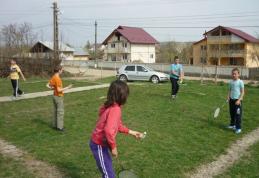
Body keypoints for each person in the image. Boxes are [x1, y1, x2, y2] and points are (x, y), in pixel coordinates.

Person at [89, 80, 144, 178]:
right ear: (122, 96)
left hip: (102, 143)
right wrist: (113, 147)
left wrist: (132, 132)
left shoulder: (111, 105)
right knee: (109, 175)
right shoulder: (115, 109)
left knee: (108, 172)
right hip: (99, 145)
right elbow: (109, 130)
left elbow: (117, 125)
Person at [46, 65, 72, 131]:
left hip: (54, 96)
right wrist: (68, 87)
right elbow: (59, 90)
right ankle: (60, 127)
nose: (62, 71)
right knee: (60, 112)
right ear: (59, 70)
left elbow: (47, 85)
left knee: (55, 111)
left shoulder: (53, 77)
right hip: (58, 97)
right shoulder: (58, 79)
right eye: (62, 70)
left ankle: (55, 125)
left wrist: (53, 88)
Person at [227, 68, 245, 134]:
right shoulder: (231, 82)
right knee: (232, 113)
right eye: (233, 74)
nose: (234, 75)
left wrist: (239, 100)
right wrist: (228, 97)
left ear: (238, 74)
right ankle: (232, 125)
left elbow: (243, 92)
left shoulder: (240, 82)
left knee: (238, 115)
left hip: (238, 101)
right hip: (231, 100)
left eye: (235, 74)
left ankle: (238, 128)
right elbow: (229, 90)